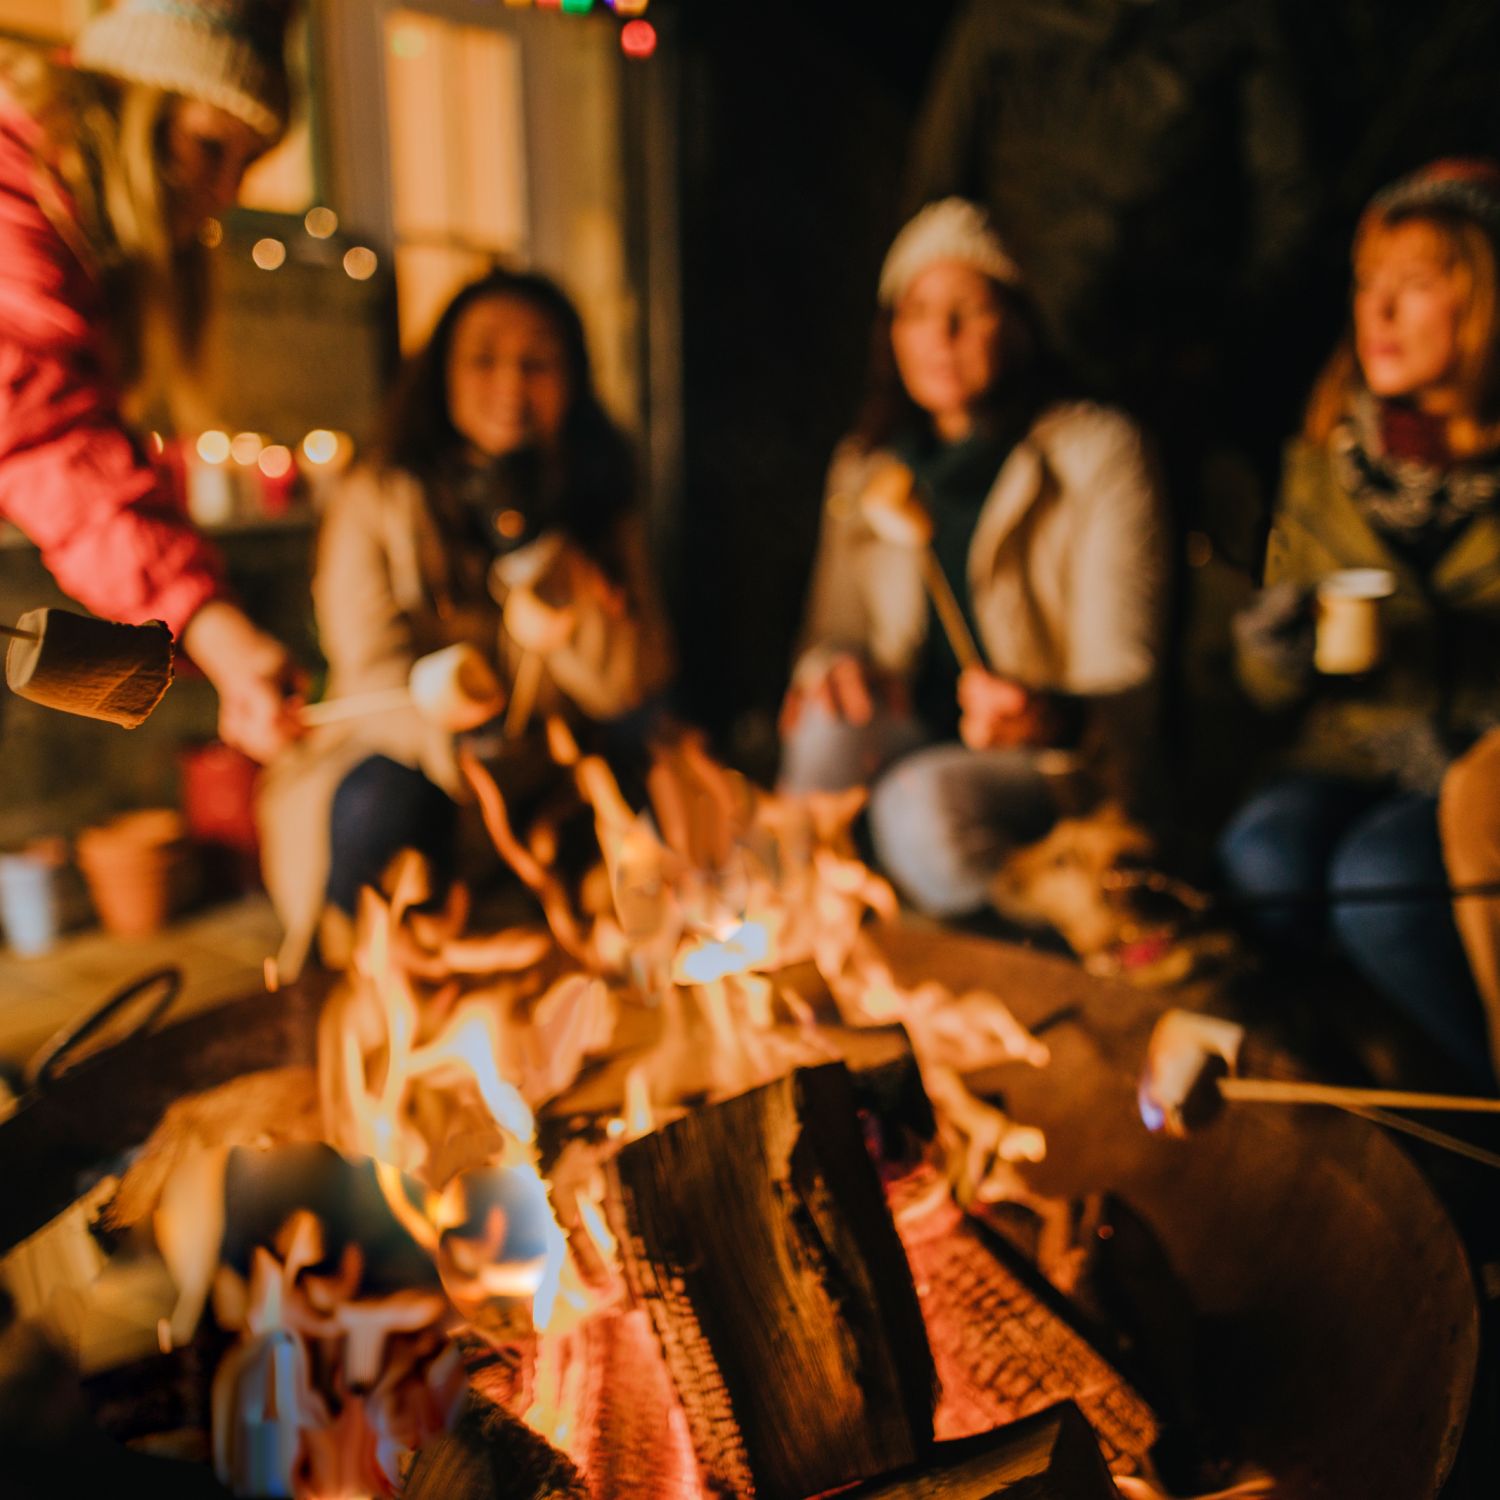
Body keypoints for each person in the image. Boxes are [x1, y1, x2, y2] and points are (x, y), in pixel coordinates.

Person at [258, 267, 673, 970]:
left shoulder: (597, 501)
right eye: (484, 359)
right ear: (443, 373)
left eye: (537, 362)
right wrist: (455, 735)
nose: (511, 385)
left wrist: (537, 553)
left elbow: (628, 682)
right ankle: (345, 984)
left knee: (647, 761)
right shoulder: (376, 495)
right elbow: (368, 672)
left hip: (550, 774)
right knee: (377, 801)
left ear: (570, 380)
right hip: (416, 758)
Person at [780, 198, 1166, 920]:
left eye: (969, 309)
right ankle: (809, 937)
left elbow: (1125, 691)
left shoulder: (1093, 453)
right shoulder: (868, 467)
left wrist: (1044, 715)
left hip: (1050, 764)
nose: (941, 336)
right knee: (824, 730)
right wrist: (830, 670)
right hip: (911, 727)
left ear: (1017, 323)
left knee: (918, 805)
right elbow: (828, 633)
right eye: (917, 311)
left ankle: (1014, 968)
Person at [1221, 161, 1500, 1088]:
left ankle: (1477, 1103)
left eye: (1414, 286)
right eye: (1367, 286)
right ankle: (1365, 1085)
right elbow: (1269, 691)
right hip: (1349, 750)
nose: (1376, 315)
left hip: (1477, 781)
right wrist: (1274, 651)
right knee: (1263, 856)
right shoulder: (1331, 448)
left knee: (1380, 882)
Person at [0, 0, 302, 762]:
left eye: (247, 161)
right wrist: (219, 636)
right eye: (209, 145)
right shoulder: (13, 202)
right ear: (136, 101)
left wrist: (220, 642)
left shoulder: (56, 205)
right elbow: (52, 446)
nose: (228, 191)